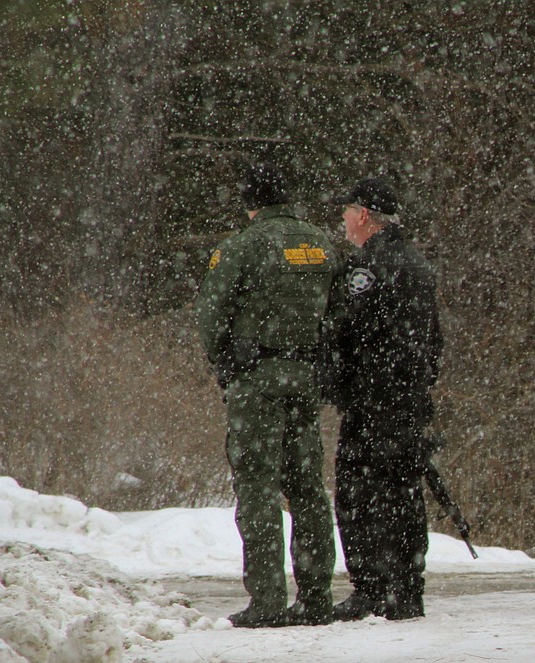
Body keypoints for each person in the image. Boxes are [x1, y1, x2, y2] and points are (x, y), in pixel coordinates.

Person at [194, 163, 339, 628]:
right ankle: (316, 597)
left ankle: (268, 600)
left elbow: (211, 313)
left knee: (257, 487)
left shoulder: (240, 247)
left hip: (257, 379)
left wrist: (224, 362)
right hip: (305, 375)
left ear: (252, 205)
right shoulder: (321, 245)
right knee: (308, 486)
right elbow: (339, 312)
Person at [323, 176, 443, 621]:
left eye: (346, 212)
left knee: (360, 495)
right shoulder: (417, 264)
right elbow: (434, 343)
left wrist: (339, 384)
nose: (343, 220)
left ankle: (371, 589)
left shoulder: (367, 268)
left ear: (365, 216)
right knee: (404, 494)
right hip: (408, 402)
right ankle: (408, 589)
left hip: (373, 404)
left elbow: (348, 334)